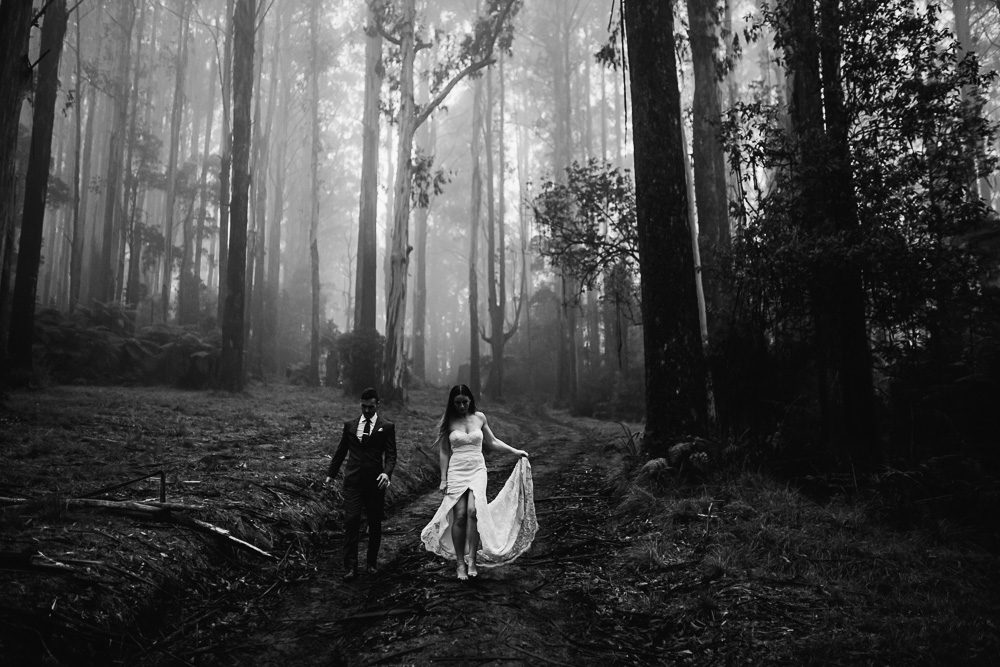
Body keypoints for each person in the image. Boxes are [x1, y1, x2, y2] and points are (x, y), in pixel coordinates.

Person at [420, 384, 537, 581]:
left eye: (465, 402)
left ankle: (472, 559)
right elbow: (444, 451)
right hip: (456, 471)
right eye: (457, 403)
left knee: (474, 513)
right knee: (459, 515)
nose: (462, 406)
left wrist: (514, 451)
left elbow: (492, 441)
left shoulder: (480, 417)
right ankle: (459, 563)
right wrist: (443, 478)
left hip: (477, 470)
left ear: (470, 401)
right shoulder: (448, 421)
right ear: (452, 403)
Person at [325, 387, 396, 580]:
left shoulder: (387, 427)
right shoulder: (350, 425)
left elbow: (391, 455)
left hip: (375, 484)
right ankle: (350, 567)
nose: (366, 411)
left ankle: (371, 563)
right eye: (363, 407)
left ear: (377, 405)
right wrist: (331, 474)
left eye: (370, 407)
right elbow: (341, 451)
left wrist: (386, 474)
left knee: (374, 523)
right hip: (353, 482)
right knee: (351, 521)